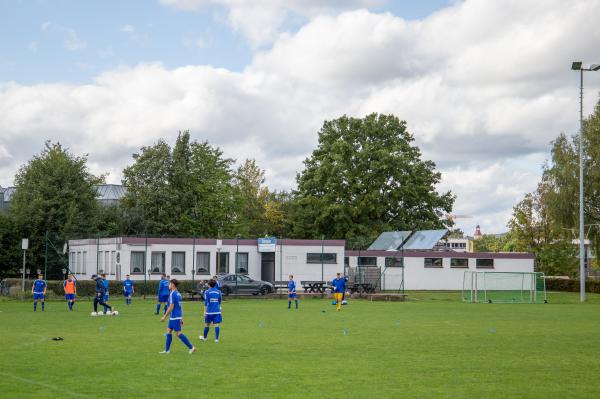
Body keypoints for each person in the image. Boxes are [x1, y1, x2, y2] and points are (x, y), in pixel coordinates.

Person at [160, 279, 196, 354]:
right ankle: (167, 350)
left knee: (178, 334)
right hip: (175, 316)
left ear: (173, 285)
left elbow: (171, 307)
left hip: (175, 317)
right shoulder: (178, 294)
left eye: (169, 284)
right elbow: (180, 306)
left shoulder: (173, 294)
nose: (168, 286)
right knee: (168, 331)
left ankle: (191, 347)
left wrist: (164, 316)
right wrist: (181, 317)